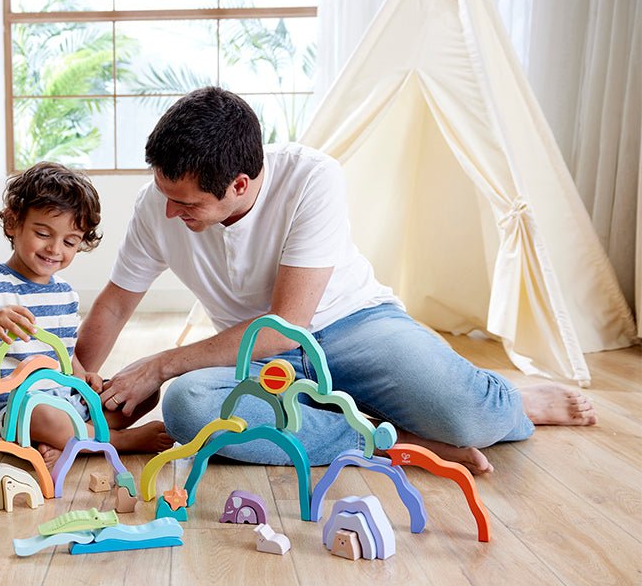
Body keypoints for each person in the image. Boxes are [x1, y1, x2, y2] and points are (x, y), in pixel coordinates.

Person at [76, 87, 596, 475]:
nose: (169, 211)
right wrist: (73, 384)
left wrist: (160, 364)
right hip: (256, 357)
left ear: (239, 184)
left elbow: (286, 327)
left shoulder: (311, 177)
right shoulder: (158, 205)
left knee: (470, 416)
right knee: (188, 406)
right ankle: (392, 438)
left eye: (186, 202)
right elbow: (117, 303)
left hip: (355, 326)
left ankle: (515, 402)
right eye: (164, 193)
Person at [0, 161, 173, 467]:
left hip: (64, 401)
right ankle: (117, 441)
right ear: (12, 223)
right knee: (41, 414)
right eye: (43, 233)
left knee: (143, 393)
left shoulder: (65, 293)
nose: (54, 249)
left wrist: (84, 376)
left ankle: (68, 440)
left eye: (69, 241)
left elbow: (64, 352)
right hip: (13, 413)